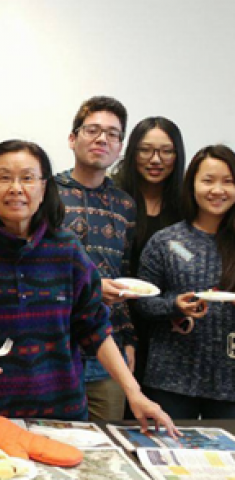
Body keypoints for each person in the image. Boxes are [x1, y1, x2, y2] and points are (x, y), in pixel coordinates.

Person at [0, 139, 179, 436]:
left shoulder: (66, 249)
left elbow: (95, 326)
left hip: (59, 412)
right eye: (4, 178)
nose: (16, 188)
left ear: (44, 188)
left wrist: (134, 393)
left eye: (27, 178)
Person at [136, 145, 235, 419]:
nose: (217, 190)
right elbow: (141, 303)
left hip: (229, 380)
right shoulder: (166, 241)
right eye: (208, 180)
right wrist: (174, 306)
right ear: (192, 185)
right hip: (171, 378)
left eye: (228, 181)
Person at [55, 96, 137, 421]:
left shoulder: (125, 205)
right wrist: (92, 288)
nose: (102, 139)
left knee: (108, 442)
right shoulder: (46, 194)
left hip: (108, 350)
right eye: (93, 130)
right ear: (72, 138)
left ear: (120, 147)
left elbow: (125, 275)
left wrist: (129, 339)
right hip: (56, 348)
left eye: (112, 134)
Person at [111, 117, 185, 392]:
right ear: (132, 152)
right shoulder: (113, 197)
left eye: (166, 151)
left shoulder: (186, 204)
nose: (155, 159)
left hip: (168, 322)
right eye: (145, 150)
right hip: (116, 317)